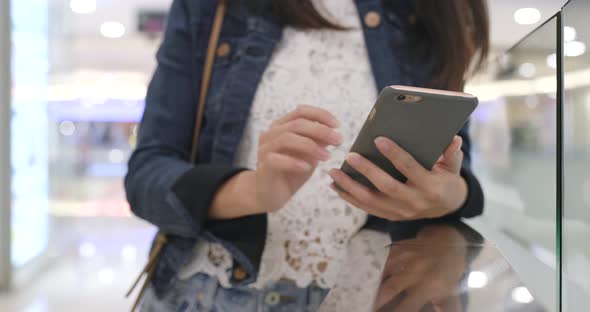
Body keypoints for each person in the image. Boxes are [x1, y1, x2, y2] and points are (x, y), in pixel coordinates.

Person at [125, 0, 489, 310]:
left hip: (375, 295)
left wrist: (445, 195)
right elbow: (146, 176)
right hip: (210, 293)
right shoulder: (215, 7)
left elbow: (457, 172)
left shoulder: (434, 10)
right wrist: (252, 190)